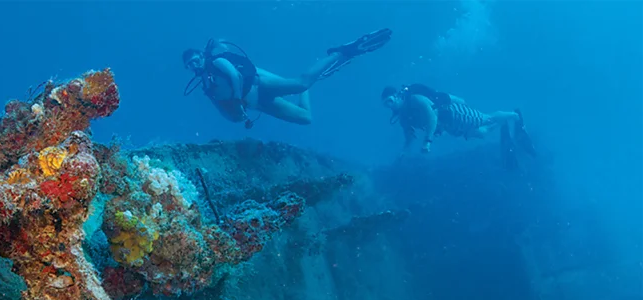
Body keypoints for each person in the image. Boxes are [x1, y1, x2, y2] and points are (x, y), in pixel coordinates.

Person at [183, 29, 392, 128]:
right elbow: (221, 108)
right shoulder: (205, 87)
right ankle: (308, 87)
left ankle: (342, 52)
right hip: (258, 104)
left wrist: (237, 100)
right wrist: (236, 117)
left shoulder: (216, 62)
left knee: (301, 83)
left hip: (260, 86)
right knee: (305, 118)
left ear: (202, 56)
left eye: (195, 60)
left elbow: (232, 76)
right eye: (189, 65)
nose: (194, 65)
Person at [381, 84, 536, 159]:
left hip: (454, 113)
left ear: (397, 96)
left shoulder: (415, 99)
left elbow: (432, 117)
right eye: (386, 104)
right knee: (480, 134)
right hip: (447, 126)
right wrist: (404, 152)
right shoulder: (402, 117)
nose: (389, 106)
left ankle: (515, 116)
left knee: (486, 118)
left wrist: (427, 141)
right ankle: (504, 122)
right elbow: (409, 136)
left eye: (389, 101)